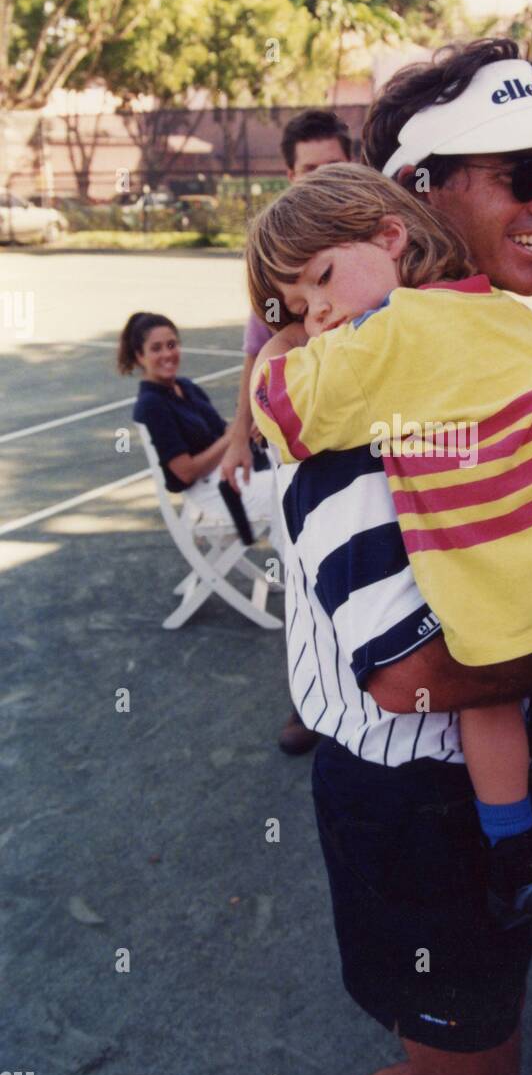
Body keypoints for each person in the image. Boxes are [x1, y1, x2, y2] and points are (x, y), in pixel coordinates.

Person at [247, 38, 532, 1075]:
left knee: (474, 1060)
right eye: (523, 173)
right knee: (471, 1074)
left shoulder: (461, 344)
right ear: (417, 194)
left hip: (477, 780)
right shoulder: (346, 403)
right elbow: (411, 678)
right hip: (414, 805)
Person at [222, 107, 352, 756]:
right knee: (303, 578)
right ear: (288, 173)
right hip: (297, 446)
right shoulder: (275, 250)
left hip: (368, 436)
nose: (321, 179)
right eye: (309, 169)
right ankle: (307, 700)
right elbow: (258, 349)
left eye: (333, 166)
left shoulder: (374, 234)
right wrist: (240, 433)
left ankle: (387, 696)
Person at [118, 311, 280, 547]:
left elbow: (224, 432)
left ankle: (293, 570)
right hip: (216, 494)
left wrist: (245, 431)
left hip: (233, 476)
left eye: (172, 345)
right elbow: (186, 472)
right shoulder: (151, 405)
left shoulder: (185, 386)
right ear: (139, 356)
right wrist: (235, 435)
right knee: (293, 490)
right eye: (156, 348)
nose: (167, 354)